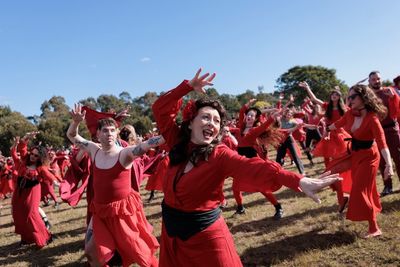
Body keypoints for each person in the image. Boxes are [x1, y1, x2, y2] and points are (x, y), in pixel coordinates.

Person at [152, 68, 341, 266]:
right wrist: (187, 87)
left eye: (217, 121)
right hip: (171, 235)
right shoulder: (177, 141)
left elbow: (255, 167)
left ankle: (275, 206)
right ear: (190, 123)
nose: (212, 124)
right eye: (206, 117)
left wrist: (298, 180)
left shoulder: (220, 154)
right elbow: (160, 108)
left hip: (205, 239)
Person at [67, 104, 164, 267]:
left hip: (122, 213)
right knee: (91, 251)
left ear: (117, 132)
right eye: (105, 130)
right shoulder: (93, 150)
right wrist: (76, 122)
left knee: (140, 253)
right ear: (97, 134)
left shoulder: (124, 154)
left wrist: (169, 134)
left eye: (113, 130)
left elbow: (147, 145)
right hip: (100, 211)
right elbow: (72, 135)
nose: (109, 134)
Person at [328, 84, 393, 238]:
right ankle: (372, 223)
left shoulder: (372, 119)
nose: (349, 100)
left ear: (364, 97)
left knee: (359, 190)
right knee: (365, 188)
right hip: (356, 155)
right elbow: (337, 124)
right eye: (348, 97)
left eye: (353, 97)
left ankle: (374, 228)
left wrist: (389, 165)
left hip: (370, 156)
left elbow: (382, 144)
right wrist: (326, 129)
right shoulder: (350, 114)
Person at [11, 133, 55, 248]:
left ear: (40, 158)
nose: (32, 156)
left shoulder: (40, 168)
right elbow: (22, 148)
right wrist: (26, 137)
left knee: (31, 214)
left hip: (32, 192)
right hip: (19, 192)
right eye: (32, 154)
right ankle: (26, 238)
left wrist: (59, 184)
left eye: (36, 156)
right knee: (19, 215)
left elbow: (50, 177)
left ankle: (45, 236)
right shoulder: (25, 161)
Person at [368, 71, 400, 196]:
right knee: (382, 161)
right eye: (374, 79)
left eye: (378, 78)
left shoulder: (390, 91)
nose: (377, 81)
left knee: (398, 158)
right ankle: (388, 186)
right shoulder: (369, 96)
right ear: (369, 82)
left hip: (392, 129)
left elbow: (398, 109)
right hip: (377, 132)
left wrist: (394, 97)